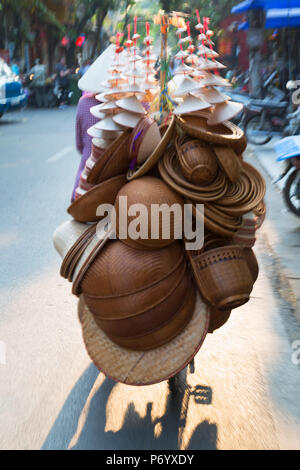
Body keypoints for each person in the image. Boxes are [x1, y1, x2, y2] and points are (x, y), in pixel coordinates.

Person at [72, 93, 99, 201]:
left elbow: (79, 145)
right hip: (113, 180)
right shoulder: (122, 103)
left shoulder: (83, 102)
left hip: (85, 180)